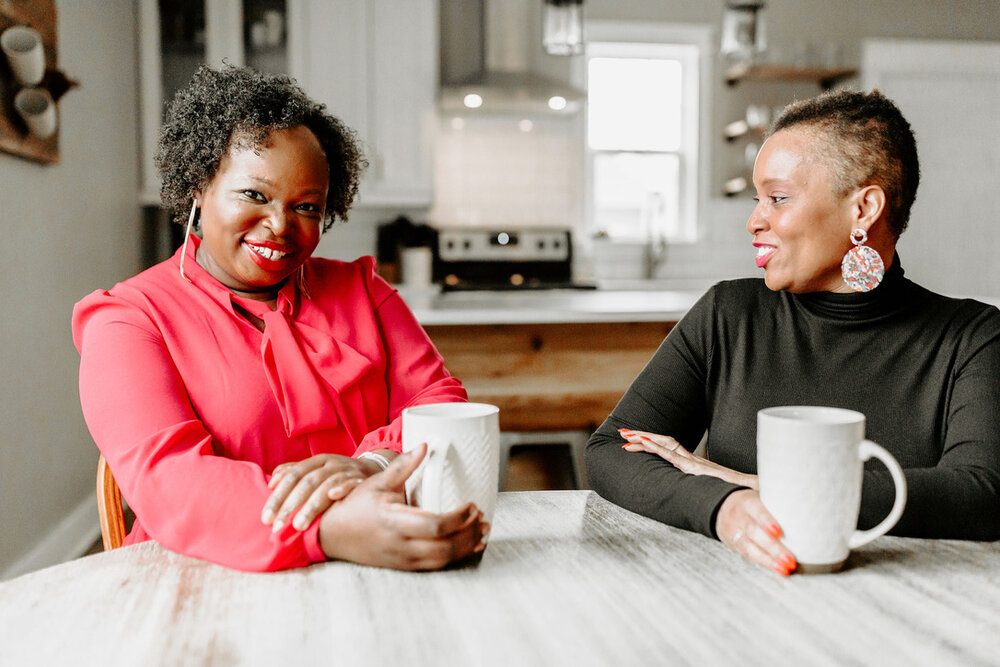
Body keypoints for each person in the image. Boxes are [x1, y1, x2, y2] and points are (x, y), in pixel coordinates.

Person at [73, 65, 487, 572]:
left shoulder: (362, 289)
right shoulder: (128, 321)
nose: (280, 226)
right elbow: (172, 481)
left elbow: (438, 399)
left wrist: (370, 464)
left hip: (375, 561)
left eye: (307, 207)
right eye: (254, 194)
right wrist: (330, 530)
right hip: (204, 573)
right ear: (199, 187)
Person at [586, 89, 1000, 576]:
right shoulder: (728, 314)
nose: (754, 220)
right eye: (757, 199)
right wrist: (722, 508)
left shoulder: (974, 338)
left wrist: (757, 486)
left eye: (777, 198)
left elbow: (981, 494)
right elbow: (612, 450)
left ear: (864, 208)